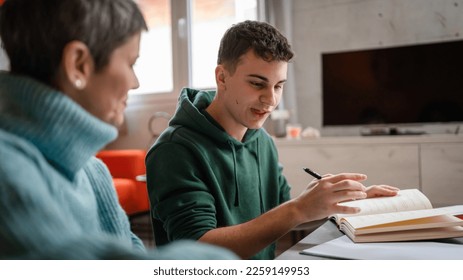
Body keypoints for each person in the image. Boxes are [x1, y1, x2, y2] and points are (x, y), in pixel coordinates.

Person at [0, 0, 236, 260]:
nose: (135, 83)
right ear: (78, 64)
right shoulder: (7, 169)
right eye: (131, 63)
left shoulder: (94, 172)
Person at [145, 20, 400, 260]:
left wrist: (336, 203)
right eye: (258, 84)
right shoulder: (174, 149)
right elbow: (198, 249)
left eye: (278, 86)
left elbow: (281, 217)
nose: (271, 100)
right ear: (222, 77)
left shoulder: (262, 141)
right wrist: (298, 208)